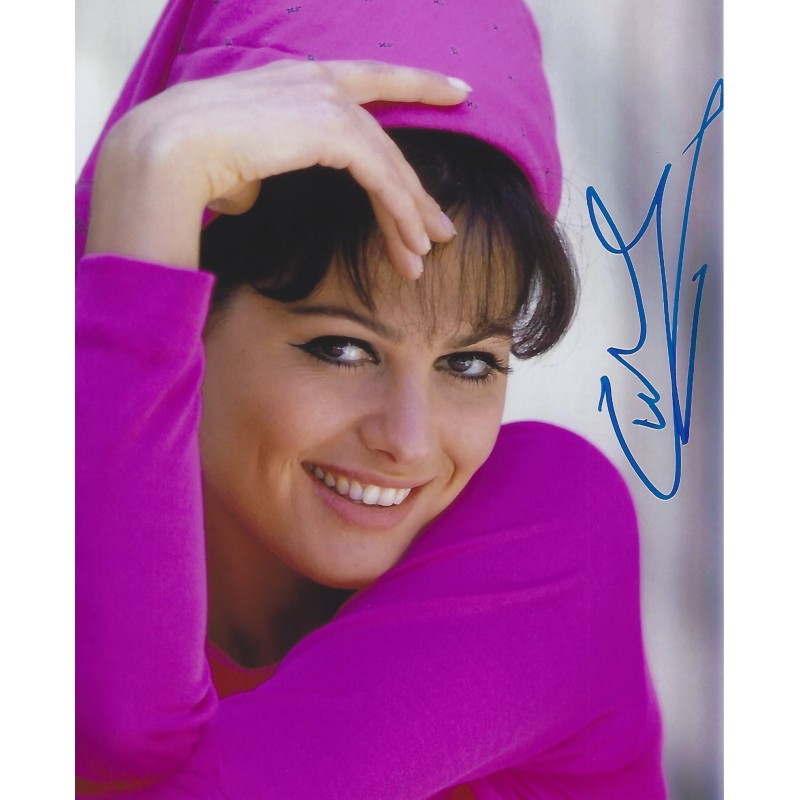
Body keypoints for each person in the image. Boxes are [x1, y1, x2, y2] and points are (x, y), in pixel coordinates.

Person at [76, 1, 667, 797]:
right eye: (342, 349)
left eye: (467, 364)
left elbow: (116, 750)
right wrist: (157, 184)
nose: (409, 440)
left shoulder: (551, 536)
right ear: (185, 314)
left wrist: (146, 173)